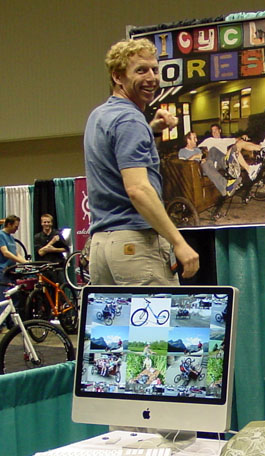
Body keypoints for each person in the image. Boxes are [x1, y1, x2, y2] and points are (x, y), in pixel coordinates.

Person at [84, 38, 199, 286]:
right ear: (117, 76)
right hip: (136, 245)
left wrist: (152, 129)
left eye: (154, 69)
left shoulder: (100, 115)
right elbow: (137, 189)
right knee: (156, 326)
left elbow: (123, 158)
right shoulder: (129, 120)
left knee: (113, 326)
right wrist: (179, 242)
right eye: (141, 70)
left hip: (102, 246)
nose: (152, 77)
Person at [198, 124, 265, 198]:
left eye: (216, 130)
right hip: (218, 161)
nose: (214, 132)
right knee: (214, 149)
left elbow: (237, 139)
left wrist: (242, 137)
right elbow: (199, 149)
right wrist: (203, 157)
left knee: (240, 143)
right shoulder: (209, 140)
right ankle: (261, 150)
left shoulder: (225, 140)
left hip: (227, 159)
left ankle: (261, 150)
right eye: (213, 131)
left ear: (220, 130)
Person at [34, 214, 69, 283]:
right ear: (41, 223)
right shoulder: (37, 237)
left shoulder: (57, 234)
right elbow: (40, 253)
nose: (46, 224)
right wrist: (52, 242)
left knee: (61, 288)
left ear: (51, 223)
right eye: (44, 222)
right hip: (44, 268)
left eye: (48, 222)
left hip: (57, 267)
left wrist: (54, 250)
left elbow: (66, 249)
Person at [0, 215, 27, 296]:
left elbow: (15, 253)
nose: (17, 229)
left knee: (15, 296)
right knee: (5, 296)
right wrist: (20, 261)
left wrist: (26, 262)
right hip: (3, 271)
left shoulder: (11, 238)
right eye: (16, 226)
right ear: (9, 224)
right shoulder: (1, 235)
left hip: (11, 271)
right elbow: (5, 252)